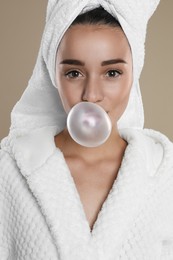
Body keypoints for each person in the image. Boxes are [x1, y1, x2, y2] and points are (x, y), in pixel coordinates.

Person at [0, 0, 173, 259]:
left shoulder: (164, 172)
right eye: (73, 73)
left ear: (134, 73)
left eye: (112, 72)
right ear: (52, 74)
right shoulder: (8, 170)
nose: (91, 95)